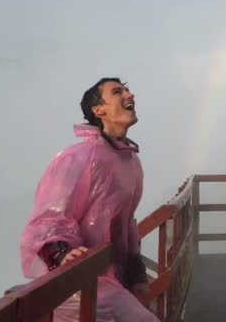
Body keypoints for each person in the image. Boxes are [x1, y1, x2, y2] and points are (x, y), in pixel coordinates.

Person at [20, 77, 158, 322]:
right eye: (118, 92)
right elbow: (47, 220)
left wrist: (137, 277)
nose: (130, 95)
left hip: (112, 280)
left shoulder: (130, 161)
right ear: (99, 110)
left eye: (127, 90)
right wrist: (62, 253)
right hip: (78, 284)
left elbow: (126, 226)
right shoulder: (77, 157)